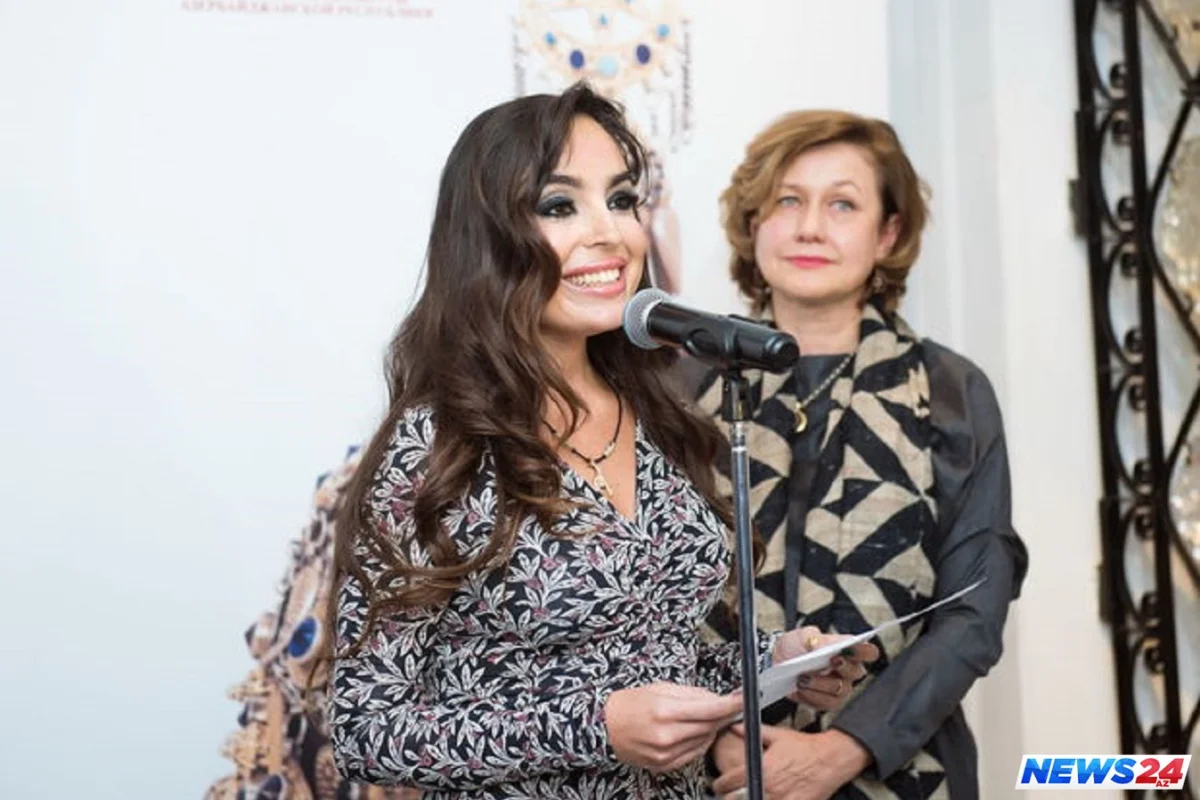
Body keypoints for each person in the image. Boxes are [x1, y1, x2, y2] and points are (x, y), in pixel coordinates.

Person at [324, 84, 875, 799]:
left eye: (620, 200)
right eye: (560, 206)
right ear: (489, 239)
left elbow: (650, 671)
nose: (610, 233)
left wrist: (774, 665)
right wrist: (594, 727)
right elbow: (365, 730)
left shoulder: (659, 411)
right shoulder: (439, 442)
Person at [685, 110, 1029, 800]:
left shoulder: (950, 391)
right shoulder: (681, 390)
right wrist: (720, 737)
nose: (810, 227)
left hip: (903, 771)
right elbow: (641, 601)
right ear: (755, 223)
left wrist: (844, 749)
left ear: (888, 233)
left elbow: (974, 607)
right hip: (707, 770)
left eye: (842, 204)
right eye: (788, 201)